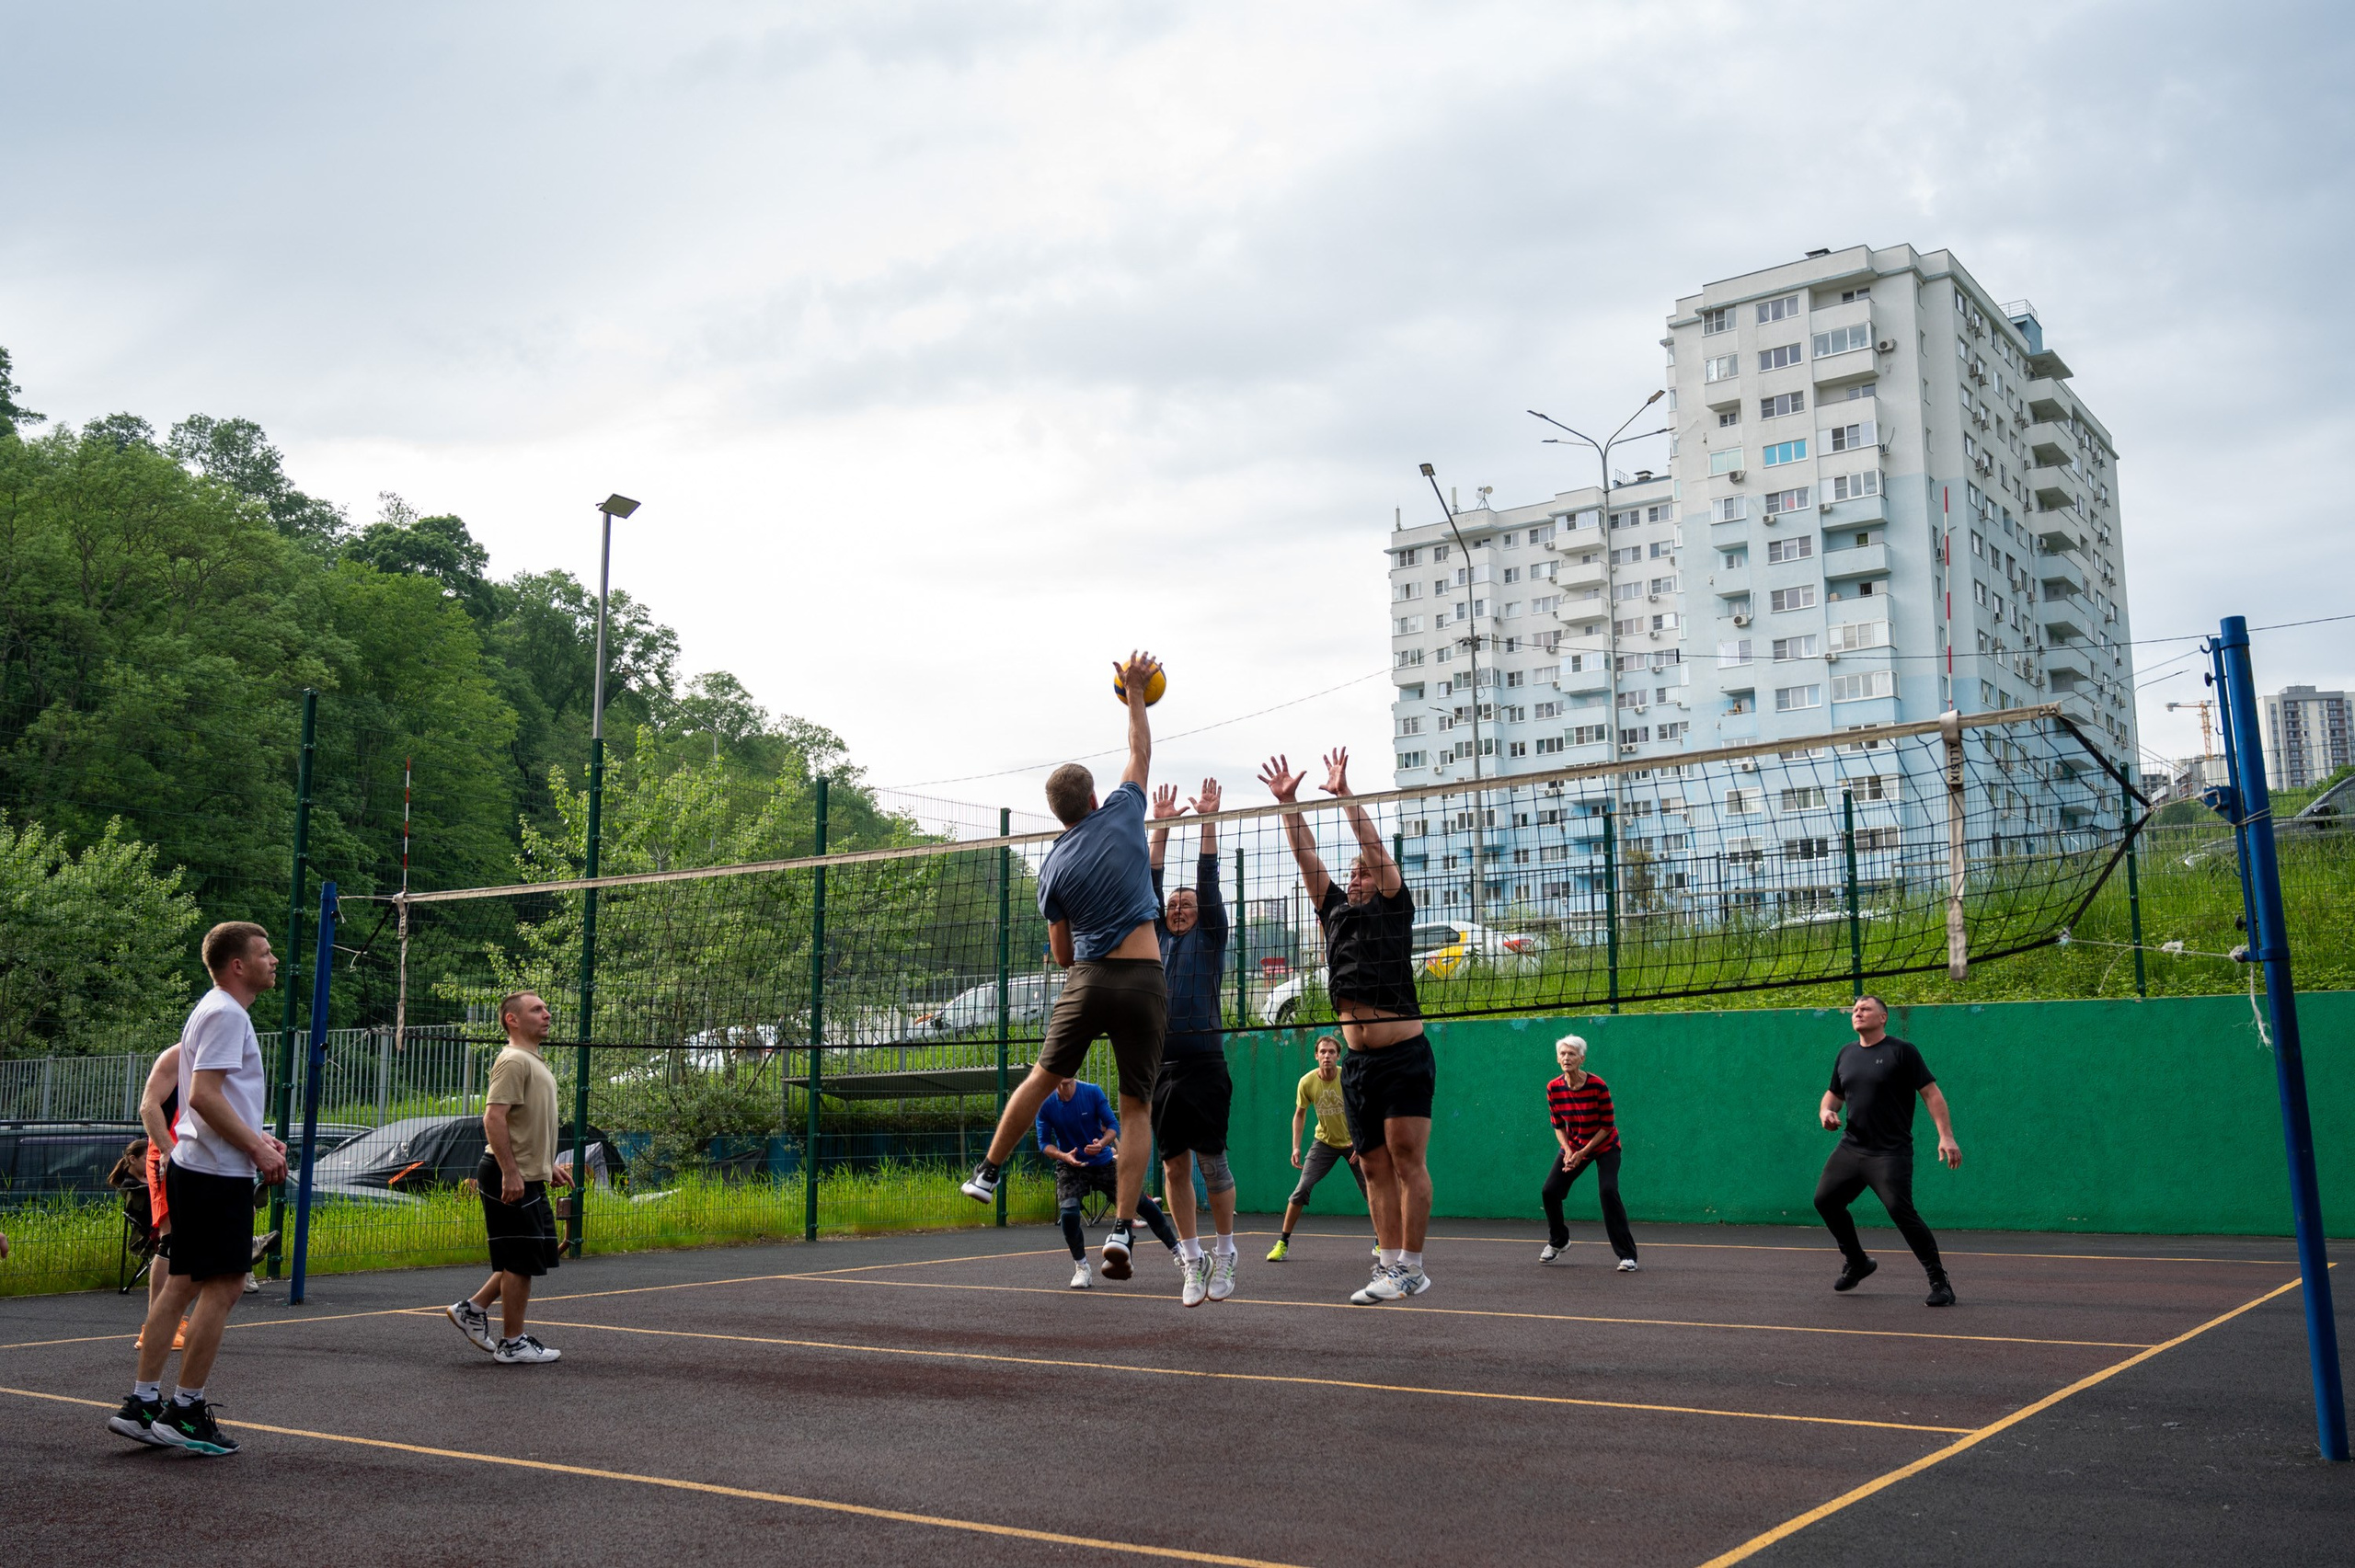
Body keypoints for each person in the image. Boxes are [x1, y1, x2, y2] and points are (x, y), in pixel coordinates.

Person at [963, 653, 1169, 1284]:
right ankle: (1122, 1229)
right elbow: (1139, 748)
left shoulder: (1051, 867)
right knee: (1136, 1108)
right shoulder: (1125, 809)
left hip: (1088, 979)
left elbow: (1061, 955)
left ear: (1058, 813)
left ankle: (987, 1172)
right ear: (1096, 797)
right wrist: (1136, 692)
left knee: (1042, 1074)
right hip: (1142, 979)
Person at [1260, 748, 1434, 1305]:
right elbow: (1306, 855)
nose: (1357, 876)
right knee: (1374, 1166)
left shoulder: (1394, 906)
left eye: (1363, 872)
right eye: (1353, 872)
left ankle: (1413, 1266)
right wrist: (1289, 804)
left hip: (1403, 1054)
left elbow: (1376, 848)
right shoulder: (1332, 909)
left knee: (1406, 1159)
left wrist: (1345, 796)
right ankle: (1389, 1267)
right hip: (1359, 1064)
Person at [109, 922, 287, 1456]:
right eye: (265, 953)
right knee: (225, 1285)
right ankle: (185, 1411)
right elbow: (205, 1098)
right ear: (238, 965)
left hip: (198, 1166)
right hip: (214, 1173)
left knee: (181, 1283)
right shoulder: (228, 1014)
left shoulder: (213, 1009)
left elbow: (210, 1099)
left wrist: (258, 1137)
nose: (274, 960)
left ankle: (143, 1403)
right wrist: (255, 1149)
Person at [1149, 778, 1238, 1306]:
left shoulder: (1210, 935)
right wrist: (1160, 828)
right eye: (1173, 904)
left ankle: (1225, 1251)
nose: (1179, 908)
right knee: (1172, 1166)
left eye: (1187, 903)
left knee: (1212, 1162)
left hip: (1205, 1063)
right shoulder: (1154, 937)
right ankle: (1191, 1257)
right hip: (1161, 1068)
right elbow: (1147, 883)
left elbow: (1208, 877)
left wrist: (1207, 821)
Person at [446, 990, 570, 1363]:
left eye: (546, 1008)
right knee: (519, 1263)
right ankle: (513, 1343)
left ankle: (472, 1310)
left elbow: (525, 1124)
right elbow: (494, 1118)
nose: (547, 1014)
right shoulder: (513, 1060)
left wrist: (545, 1165)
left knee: (525, 1256)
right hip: (509, 1176)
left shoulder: (533, 1060)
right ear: (511, 1020)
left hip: (528, 1175)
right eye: (537, 1009)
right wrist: (511, 1172)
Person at [1815, 995, 1961, 1307]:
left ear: (1883, 1017)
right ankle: (1857, 1261)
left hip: (1890, 1153)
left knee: (1900, 1211)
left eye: (1865, 1009)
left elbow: (1931, 1094)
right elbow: (1833, 1095)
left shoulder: (1902, 1051)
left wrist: (1946, 1137)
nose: (1858, 1012)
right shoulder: (1846, 1054)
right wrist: (1826, 1112)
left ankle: (1940, 1282)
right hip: (1851, 1147)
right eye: (1855, 1009)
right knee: (1825, 1201)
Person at [1034, 1075, 1178, 1288]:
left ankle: (1180, 1253)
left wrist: (1101, 1144)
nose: (1066, 1068)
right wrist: (1064, 1156)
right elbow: (1044, 1143)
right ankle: (1082, 1267)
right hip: (1070, 1166)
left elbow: (1112, 1126)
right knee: (1069, 1214)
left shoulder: (1092, 1092)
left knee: (1142, 1203)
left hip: (1102, 1162)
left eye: (1070, 1063)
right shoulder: (1045, 1103)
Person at [1538, 1035, 1638, 1271]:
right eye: (1562, 1054)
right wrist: (1568, 1150)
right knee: (1550, 1191)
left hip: (1605, 1145)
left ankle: (1628, 1256)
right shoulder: (1553, 1088)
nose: (1566, 1058)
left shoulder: (1597, 1085)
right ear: (1557, 1058)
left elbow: (1607, 1126)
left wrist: (1582, 1152)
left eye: (1571, 1054)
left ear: (1581, 1058)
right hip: (1574, 1145)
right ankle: (1559, 1241)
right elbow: (1558, 1126)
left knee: (1608, 1191)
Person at [1267, 1035, 1367, 1261]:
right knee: (1301, 1189)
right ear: (1316, 1056)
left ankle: (1382, 1243)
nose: (1327, 1056)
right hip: (1324, 1143)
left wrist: (1361, 1142)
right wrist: (1296, 1147)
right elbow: (1299, 1114)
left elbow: (1364, 1108)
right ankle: (1282, 1243)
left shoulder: (1348, 1077)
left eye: (1331, 1052)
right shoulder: (1307, 1082)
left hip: (1353, 1143)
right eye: (1323, 1052)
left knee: (1373, 1192)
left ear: (1338, 1056)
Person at [134, 1044, 190, 1351]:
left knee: (190, 1240)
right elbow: (148, 1106)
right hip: (168, 1153)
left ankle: (173, 1318)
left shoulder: (218, 1055)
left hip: (196, 1154)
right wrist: (169, 1150)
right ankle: (155, 1326)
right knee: (172, 1239)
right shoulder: (177, 1056)